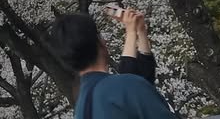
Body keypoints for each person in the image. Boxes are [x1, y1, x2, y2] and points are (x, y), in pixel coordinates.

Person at [47, 7, 177, 119]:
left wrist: (139, 32)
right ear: (100, 42)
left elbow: (136, 82)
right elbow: (134, 85)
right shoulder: (125, 87)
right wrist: (133, 32)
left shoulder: (81, 107)